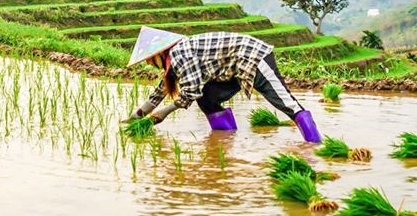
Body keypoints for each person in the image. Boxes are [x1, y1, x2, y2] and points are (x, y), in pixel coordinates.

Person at [124, 27, 322, 142]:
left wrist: (161, 114)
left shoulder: (178, 53)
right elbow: (161, 91)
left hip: (252, 57)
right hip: (231, 70)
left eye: (149, 59)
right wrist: (137, 116)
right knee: (207, 99)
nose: (149, 63)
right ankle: (224, 140)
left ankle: (314, 147)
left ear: (160, 53)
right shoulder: (173, 61)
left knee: (286, 103)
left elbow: (190, 91)